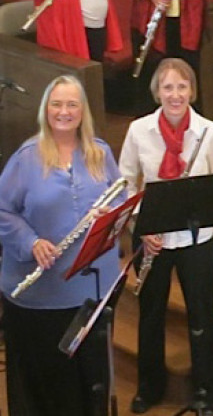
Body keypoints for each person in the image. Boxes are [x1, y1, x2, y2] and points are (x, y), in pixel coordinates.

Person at [0, 75, 124, 415]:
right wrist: (31, 241)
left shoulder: (100, 153)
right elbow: (2, 210)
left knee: (90, 386)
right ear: (46, 110)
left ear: (83, 111)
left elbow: (120, 199)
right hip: (42, 294)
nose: (64, 112)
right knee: (53, 390)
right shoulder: (27, 158)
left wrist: (109, 215)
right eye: (56, 104)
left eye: (72, 104)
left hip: (91, 292)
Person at [119, 58, 213, 415]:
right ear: (157, 91)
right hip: (151, 238)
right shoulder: (139, 131)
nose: (175, 95)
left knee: (202, 317)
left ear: (191, 91)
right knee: (151, 314)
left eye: (182, 87)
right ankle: (149, 388)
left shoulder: (209, 132)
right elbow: (125, 183)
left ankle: (208, 392)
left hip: (196, 239)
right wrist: (140, 224)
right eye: (168, 87)